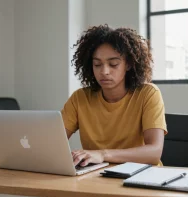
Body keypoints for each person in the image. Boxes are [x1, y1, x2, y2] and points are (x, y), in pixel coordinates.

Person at [61, 24, 167, 167]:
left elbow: (154, 152)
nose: (104, 71)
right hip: (95, 176)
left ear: (128, 64)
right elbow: (53, 143)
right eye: (97, 64)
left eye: (113, 64)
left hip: (142, 177)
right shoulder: (80, 98)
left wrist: (102, 154)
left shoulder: (148, 94)